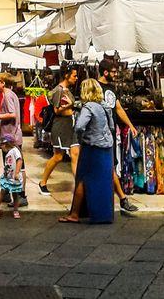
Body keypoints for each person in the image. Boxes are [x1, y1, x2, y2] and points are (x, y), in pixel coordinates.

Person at [59, 78, 114, 224]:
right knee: (103, 180)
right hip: (107, 148)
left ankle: (75, 213)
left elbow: (79, 126)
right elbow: (112, 126)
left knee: (83, 179)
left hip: (92, 147)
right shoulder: (105, 105)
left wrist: (83, 136)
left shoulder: (88, 107)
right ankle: (103, 213)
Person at [97, 58, 139, 213]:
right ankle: (121, 199)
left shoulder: (111, 88)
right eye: (113, 72)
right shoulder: (95, 87)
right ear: (105, 72)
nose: (116, 74)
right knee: (107, 167)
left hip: (111, 133)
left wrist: (130, 125)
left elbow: (119, 108)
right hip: (100, 134)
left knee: (110, 166)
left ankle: (118, 199)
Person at [0, 73, 27, 205]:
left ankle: (21, 196)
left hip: (11, 136)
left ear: (3, 82)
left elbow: (13, 114)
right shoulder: (9, 94)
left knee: (18, 165)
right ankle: (7, 193)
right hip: (10, 135)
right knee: (9, 165)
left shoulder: (7, 95)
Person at [38, 67, 80, 195]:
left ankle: (79, 184)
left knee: (75, 154)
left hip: (70, 125)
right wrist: (69, 105)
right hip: (61, 126)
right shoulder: (58, 91)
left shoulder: (67, 90)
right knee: (58, 156)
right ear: (66, 76)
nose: (76, 78)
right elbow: (56, 110)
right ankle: (43, 182)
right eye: (74, 76)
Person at [0, 135, 24, 220]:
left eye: (1, 146)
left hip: (14, 177)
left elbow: (19, 160)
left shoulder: (15, 151)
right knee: (3, 192)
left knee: (15, 194)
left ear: (6, 144)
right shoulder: (8, 153)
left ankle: (15, 210)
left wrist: (17, 173)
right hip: (7, 177)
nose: (1, 148)